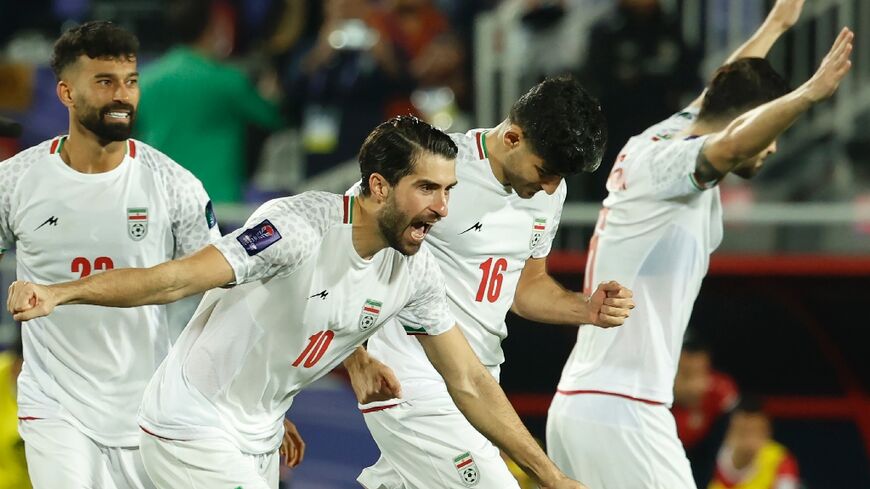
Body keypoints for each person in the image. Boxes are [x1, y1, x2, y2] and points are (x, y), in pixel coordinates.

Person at [8, 116, 588, 489]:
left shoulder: (416, 270)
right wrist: (63, 291)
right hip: (189, 427)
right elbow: (177, 279)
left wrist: (550, 477)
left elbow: (468, 380)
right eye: (428, 190)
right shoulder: (295, 228)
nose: (441, 208)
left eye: (449, 191)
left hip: (257, 433)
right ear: (380, 187)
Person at [547, 0, 853, 486]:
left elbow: (724, 90)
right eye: (770, 131)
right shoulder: (670, 164)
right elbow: (732, 143)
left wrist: (775, 25)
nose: (771, 146)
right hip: (624, 411)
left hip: (591, 404)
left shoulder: (661, 136)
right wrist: (809, 94)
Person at [342, 75, 634, 489]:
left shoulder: (549, 192)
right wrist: (355, 357)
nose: (549, 187)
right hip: (413, 378)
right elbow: (339, 248)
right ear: (513, 137)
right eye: (546, 171)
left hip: (479, 386)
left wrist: (584, 309)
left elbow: (526, 287)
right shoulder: (435, 167)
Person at [0, 21, 236, 489]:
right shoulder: (16, 181)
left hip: (147, 405)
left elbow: (224, 288)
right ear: (66, 93)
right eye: (104, 82)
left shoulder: (174, 185)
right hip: (54, 405)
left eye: (130, 82)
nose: (122, 96)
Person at [136, 0, 285, 203]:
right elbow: (274, 118)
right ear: (212, 27)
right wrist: (272, 95)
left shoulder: (145, 81)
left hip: (160, 198)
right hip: (215, 203)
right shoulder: (228, 81)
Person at [672, 338, 739, 486]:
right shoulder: (660, 390)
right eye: (686, 374)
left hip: (704, 456)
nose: (694, 385)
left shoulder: (722, 390)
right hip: (670, 452)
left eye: (700, 373)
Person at [708, 397, 799, 489]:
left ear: (766, 430)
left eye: (754, 431)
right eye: (742, 432)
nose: (748, 440)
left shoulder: (781, 460)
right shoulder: (721, 454)